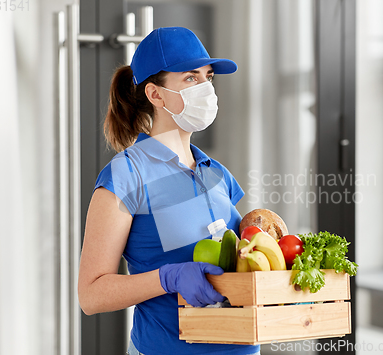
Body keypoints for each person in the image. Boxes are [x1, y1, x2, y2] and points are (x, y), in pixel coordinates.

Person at [78, 27, 260, 355]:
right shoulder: (125, 176)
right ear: (156, 95)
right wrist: (168, 278)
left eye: (208, 78)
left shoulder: (218, 173)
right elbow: (91, 296)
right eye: (191, 78)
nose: (206, 88)